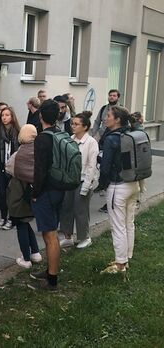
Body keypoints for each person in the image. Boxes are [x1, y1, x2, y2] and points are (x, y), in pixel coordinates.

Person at [96, 106, 140, 274]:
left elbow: (106, 167)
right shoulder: (130, 134)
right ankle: (126, 257)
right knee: (129, 222)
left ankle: (120, 264)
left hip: (118, 186)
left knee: (118, 226)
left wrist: (102, 184)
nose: (105, 118)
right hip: (133, 184)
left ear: (117, 120)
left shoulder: (111, 139)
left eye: (108, 116)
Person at [29, 99, 65, 291]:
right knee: (50, 232)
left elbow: (40, 169)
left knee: (50, 235)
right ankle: (51, 270)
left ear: (41, 115)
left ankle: (52, 279)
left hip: (46, 191)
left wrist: (35, 193)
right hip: (59, 189)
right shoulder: (60, 134)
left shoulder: (43, 138)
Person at [59, 111, 99, 249]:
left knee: (80, 210)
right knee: (66, 208)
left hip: (82, 180)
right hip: (69, 180)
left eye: (76, 124)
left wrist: (86, 185)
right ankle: (68, 236)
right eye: (72, 123)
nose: (73, 126)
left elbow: (91, 166)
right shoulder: (70, 139)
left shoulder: (91, 142)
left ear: (85, 127)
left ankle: (84, 237)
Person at [5, 124, 42, 268]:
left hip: (18, 193)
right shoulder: (38, 150)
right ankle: (36, 252)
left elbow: (8, 167)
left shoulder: (20, 153)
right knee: (26, 222)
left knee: (20, 223)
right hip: (33, 192)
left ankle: (26, 259)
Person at [0, 106, 20, 230]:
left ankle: (12, 219)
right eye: (2, 115)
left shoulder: (17, 132)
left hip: (13, 167)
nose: (4, 117)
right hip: (0, 166)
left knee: (11, 194)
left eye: (7, 115)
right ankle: (3, 217)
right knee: (2, 193)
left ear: (12, 117)